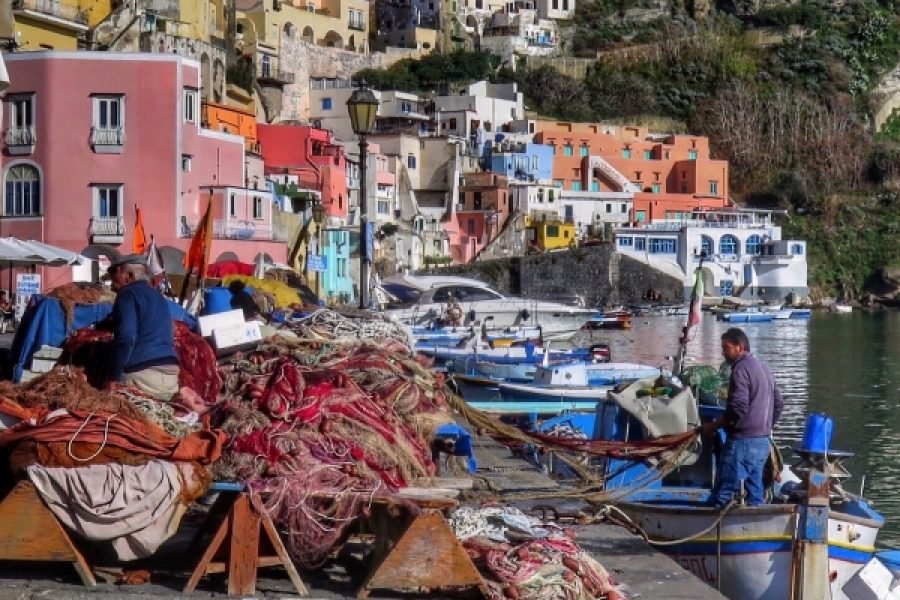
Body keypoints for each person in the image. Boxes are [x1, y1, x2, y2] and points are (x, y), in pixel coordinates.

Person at [702, 327, 784, 507]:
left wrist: (714, 426)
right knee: (755, 492)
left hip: (743, 442)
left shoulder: (740, 369)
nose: (723, 353)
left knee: (723, 490)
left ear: (739, 347)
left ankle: (708, 527)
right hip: (762, 442)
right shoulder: (763, 367)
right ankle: (756, 527)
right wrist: (765, 427)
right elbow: (778, 403)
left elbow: (737, 408)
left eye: (726, 348)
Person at [102, 255, 180, 401]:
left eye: (114, 278)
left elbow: (126, 338)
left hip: (143, 375)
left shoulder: (127, 294)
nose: (112, 285)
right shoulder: (159, 297)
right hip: (171, 376)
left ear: (129, 276)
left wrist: (112, 378)